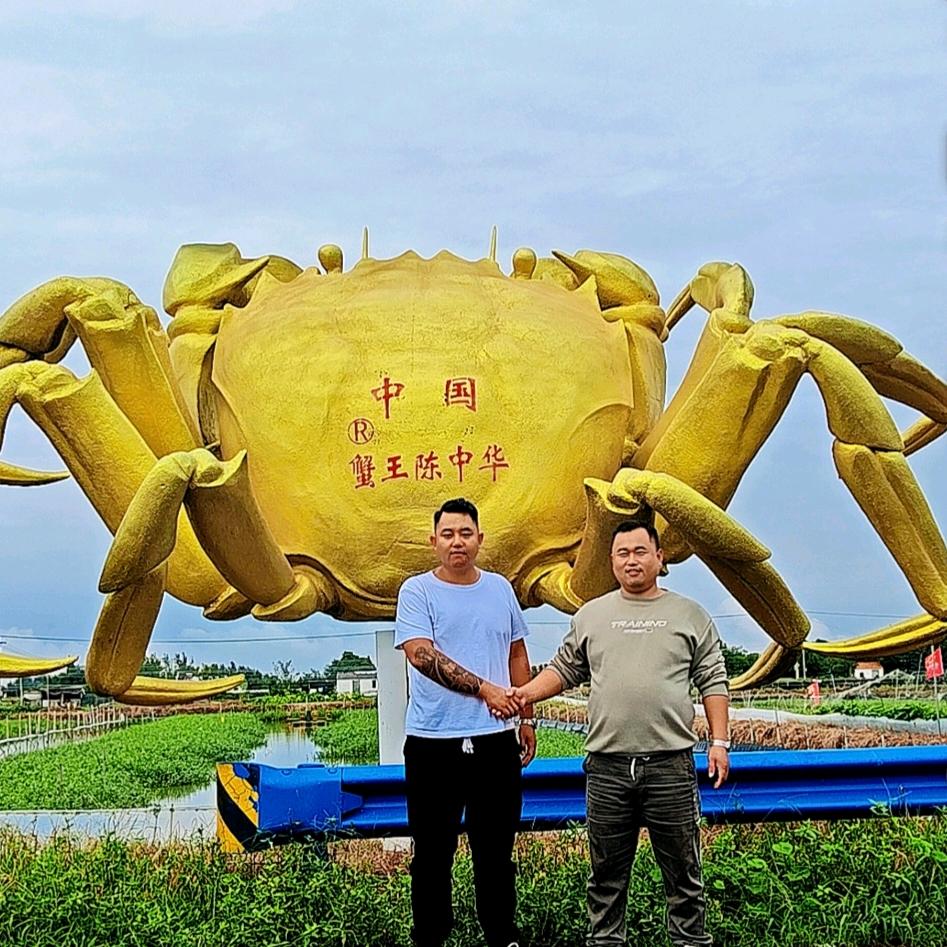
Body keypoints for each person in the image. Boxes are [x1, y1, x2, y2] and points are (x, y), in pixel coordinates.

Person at [509, 521, 730, 947]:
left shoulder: (690, 614)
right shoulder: (592, 615)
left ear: (660, 558)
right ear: (612, 562)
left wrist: (719, 743)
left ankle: (691, 940)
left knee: (684, 873)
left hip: (670, 765)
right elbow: (563, 670)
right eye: (623, 553)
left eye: (640, 551)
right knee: (606, 876)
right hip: (608, 768)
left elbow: (713, 680)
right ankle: (606, 941)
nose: (632, 560)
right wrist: (522, 696)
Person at [394, 497, 536, 947]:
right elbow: (421, 654)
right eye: (448, 534)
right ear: (433, 541)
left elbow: (516, 653)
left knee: (496, 853)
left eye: (466, 533)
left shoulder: (500, 589)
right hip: (434, 743)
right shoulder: (417, 591)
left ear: (480, 539)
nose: (458, 542)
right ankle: (430, 937)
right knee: (432, 855)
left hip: (496, 742)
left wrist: (527, 716)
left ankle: (502, 935)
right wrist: (487, 691)